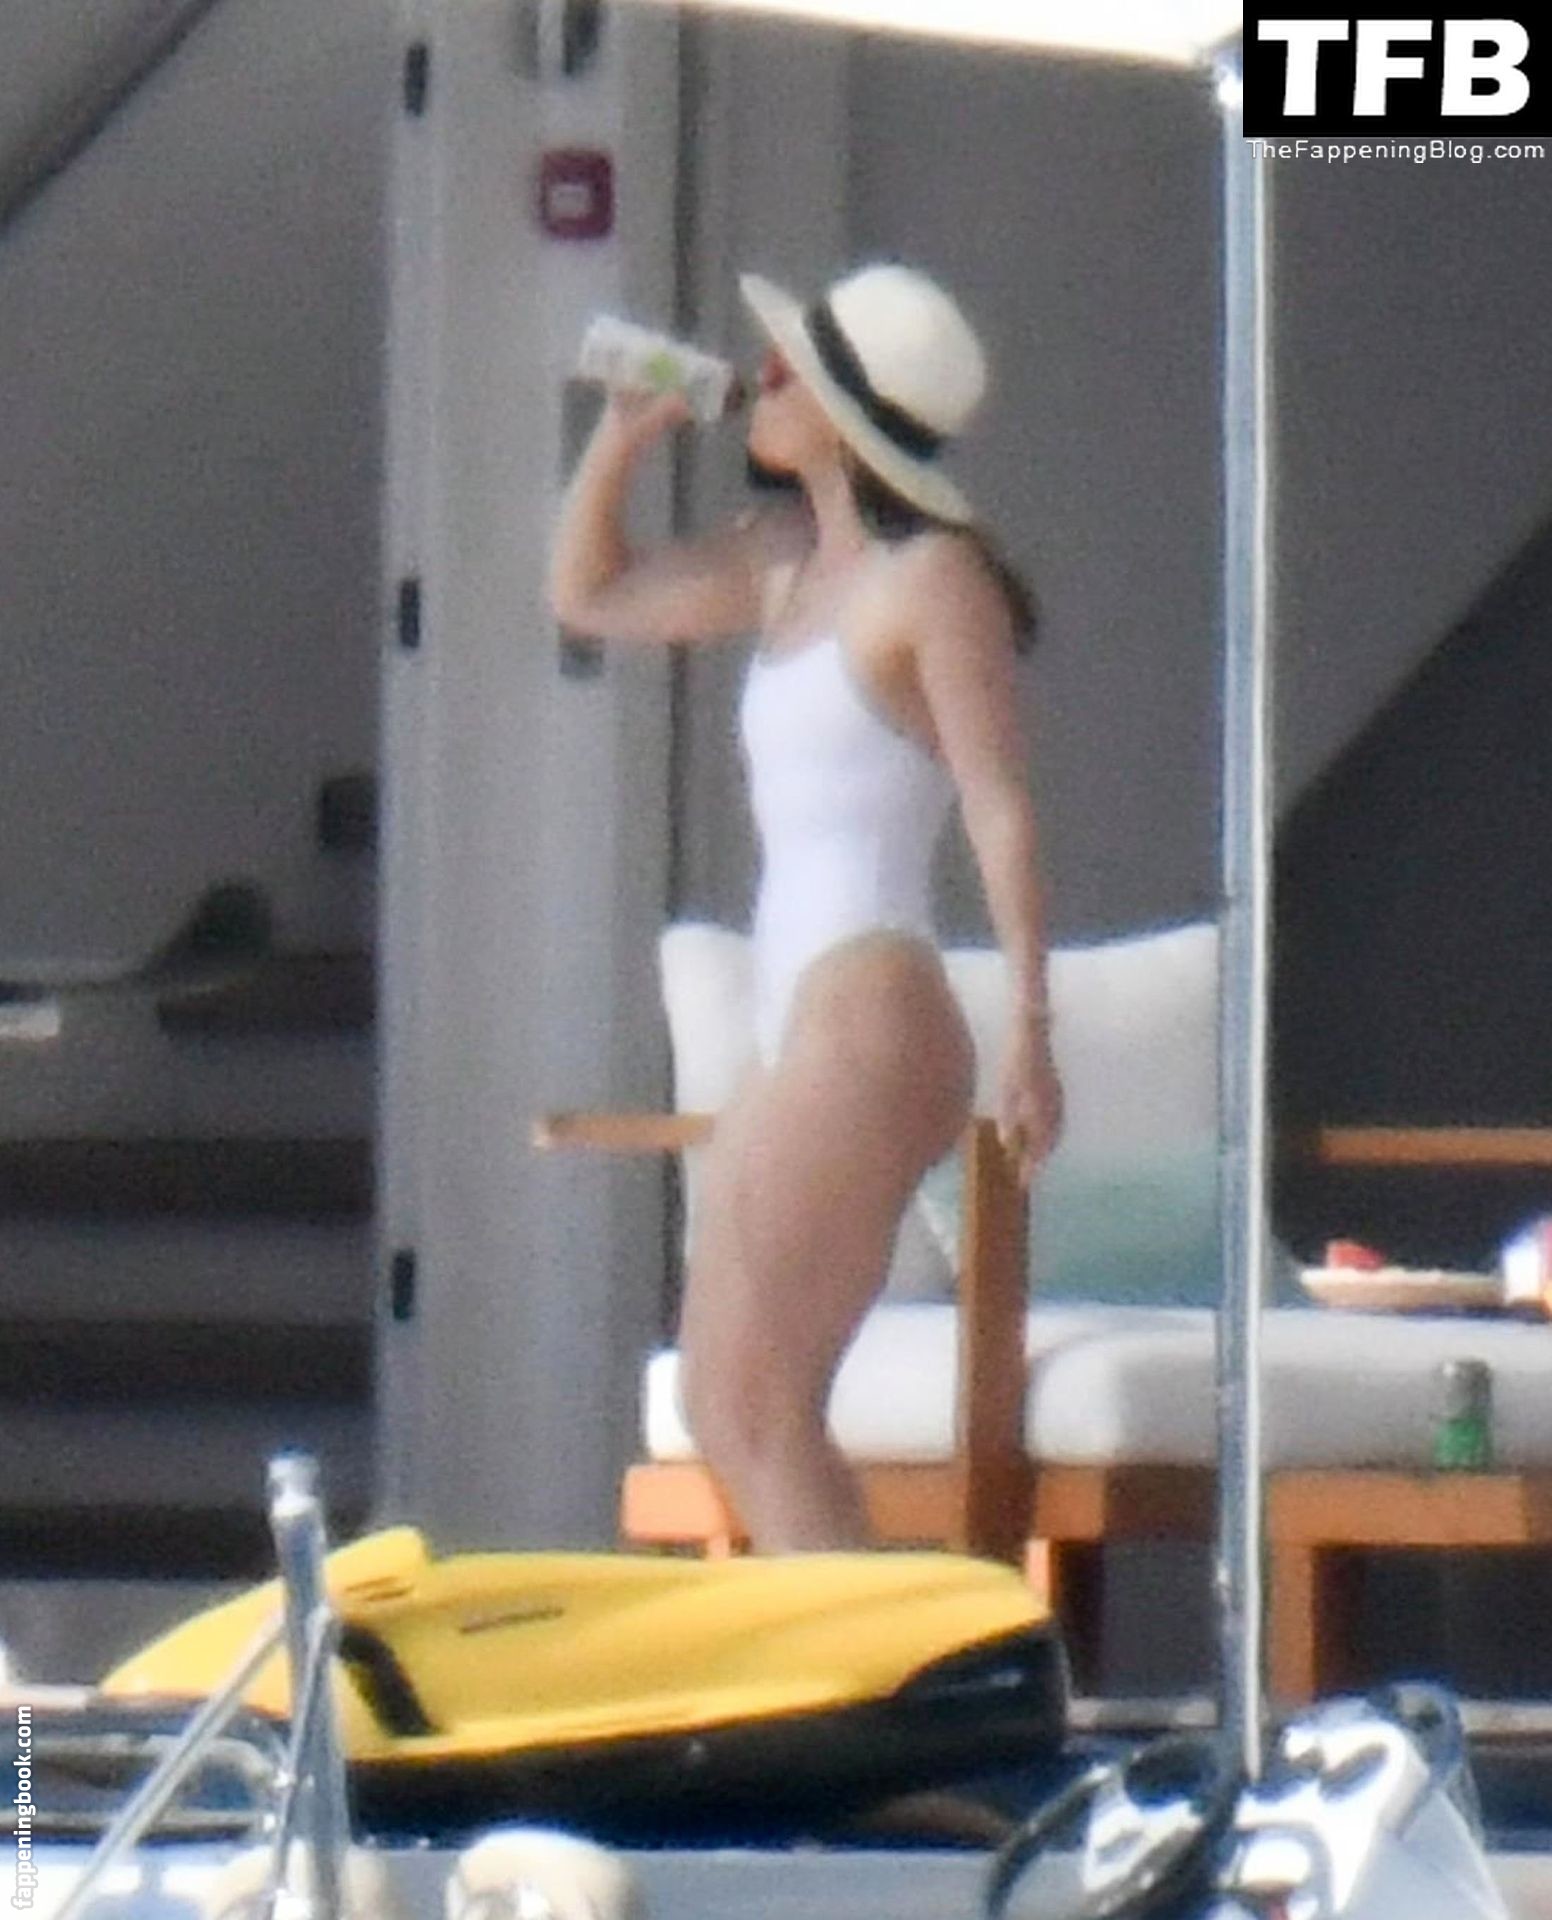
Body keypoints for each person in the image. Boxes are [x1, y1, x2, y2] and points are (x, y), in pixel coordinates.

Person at [550, 262, 1063, 1551]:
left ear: (840, 415)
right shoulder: (786, 565)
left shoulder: (930, 579)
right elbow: (589, 596)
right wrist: (621, 440)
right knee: (740, 1404)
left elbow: (999, 804)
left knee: (751, 1403)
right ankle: (870, 1650)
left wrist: (1032, 1029)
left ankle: (879, 1661)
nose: (760, 384)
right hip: (808, 1017)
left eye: (786, 371)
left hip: (871, 1005)